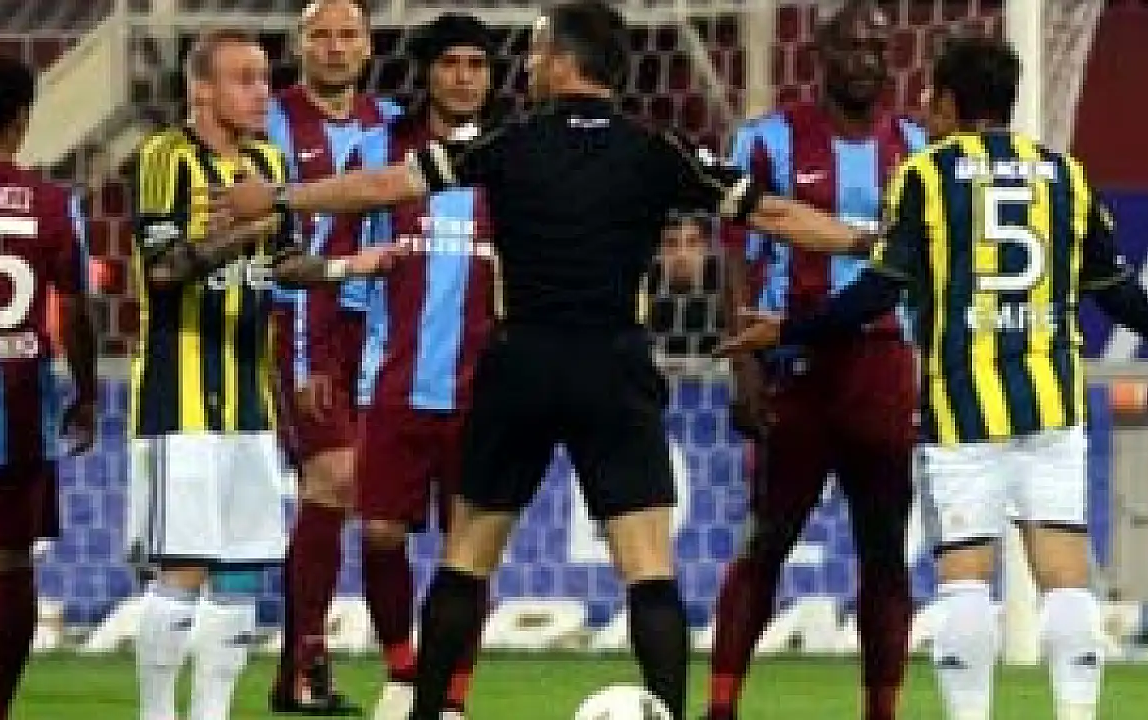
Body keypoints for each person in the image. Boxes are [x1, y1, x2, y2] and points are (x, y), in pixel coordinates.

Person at [209, 3, 881, 717]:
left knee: (467, 558)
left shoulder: (506, 139)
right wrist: (867, 243)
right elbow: (774, 213)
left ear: (563, 60)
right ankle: (666, 712)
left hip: (520, 364)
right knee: (648, 570)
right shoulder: (656, 148)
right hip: (613, 367)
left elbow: (387, 185)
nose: (526, 67)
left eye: (534, 52)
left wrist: (278, 196)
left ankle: (429, 710)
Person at [716, 36, 1148, 720]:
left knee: (967, 577)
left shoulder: (925, 175)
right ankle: (1076, 713)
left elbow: (879, 289)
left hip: (964, 408)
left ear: (948, 102)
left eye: (932, 98)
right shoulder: (1063, 174)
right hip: (1052, 404)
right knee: (1065, 574)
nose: (925, 109)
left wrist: (789, 329)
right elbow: (1112, 284)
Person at [125, 30, 397, 720]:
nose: (260, 93)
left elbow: (285, 265)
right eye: (243, 79)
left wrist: (348, 267)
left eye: (264, 79)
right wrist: (247, 229)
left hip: (251, 396)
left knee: (242, 571)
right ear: (202, 89)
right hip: (180, 393)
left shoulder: (268, 163)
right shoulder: (166, 157)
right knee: (183, 565)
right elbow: (164, 270)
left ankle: (212, 712)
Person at [709, 4, 922, 718]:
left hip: (884, 366)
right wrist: (744, 371)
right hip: (795, 367)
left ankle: (881, 709)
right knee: (766, 541)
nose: (867, 60)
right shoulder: (766, 140)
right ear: (821, 54)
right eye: (853, 47)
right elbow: (736, 255)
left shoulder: (916, 147)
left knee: (884, 550)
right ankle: (721, 705)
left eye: (878, 48)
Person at [347, 13, 497, 720]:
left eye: (477, 64)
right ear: (427, 73)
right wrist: (330, 362)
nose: (463, 78)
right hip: (393, 384)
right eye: (450, 64)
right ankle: (404, 672)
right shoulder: (381, 151)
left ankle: (455, 697)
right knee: (381, 534)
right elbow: (344, 263)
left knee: (470, 552)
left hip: (482, 394)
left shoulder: (508, 161)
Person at [264, 0, 400, 712]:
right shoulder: (272, 121)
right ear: (300, 46)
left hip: (372, 327)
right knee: (333, 477)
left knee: (358, 496)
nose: (336, 47)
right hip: (298, 320)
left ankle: (309, 667)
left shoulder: (392, 122)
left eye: (349, 35)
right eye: (322, 35)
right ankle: (304, 665)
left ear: (369, 46)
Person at [0, 55, 96, 720]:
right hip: (18, 404)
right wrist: (86, 392)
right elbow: (78, 309)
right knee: (8, 565)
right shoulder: (54, 205)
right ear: (22, 119)